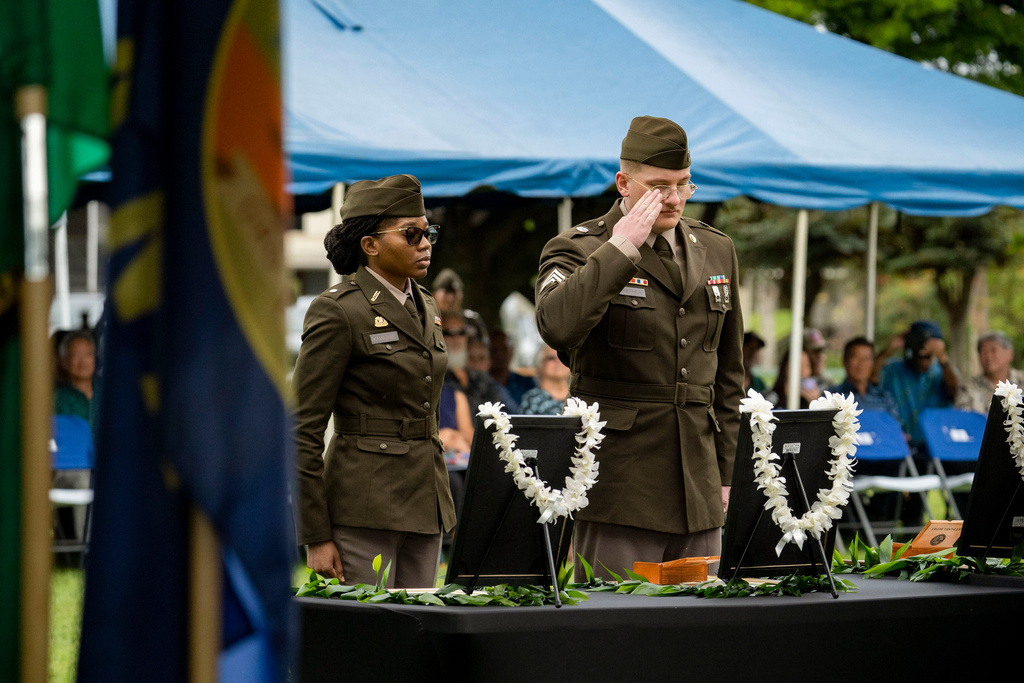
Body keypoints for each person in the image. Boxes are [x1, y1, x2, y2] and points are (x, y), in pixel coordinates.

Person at [535, 115, 744, 579]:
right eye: (658, 187)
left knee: (700, 628)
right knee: (616, 631)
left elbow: (729, 374)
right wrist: (621, 248)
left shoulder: (715, 248)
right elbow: (557, 326)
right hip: (619, 484)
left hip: (699, 483)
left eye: (683, 185)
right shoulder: (579, 247)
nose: (673, 199)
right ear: (623, 183)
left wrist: (728, 472)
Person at [293, 174, 456, 588]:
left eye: (428, 231)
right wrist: (315, 534)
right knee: (369, 642)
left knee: (420, 635)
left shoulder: (428, 305)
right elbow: (303, 429)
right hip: (362, 508)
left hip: (424, 503)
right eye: (411, 233)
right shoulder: (338, 311)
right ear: (370, 245)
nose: (425, 244)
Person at [873, 320, 959, 451]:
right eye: (918, 341)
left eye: (929, 342)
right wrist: (889, 349)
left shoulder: (943, 372)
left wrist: (943, 359)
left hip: (936, 445)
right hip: (899, 444)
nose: (923, 347)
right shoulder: (893, 369)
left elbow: (955, 392)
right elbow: (869, 379)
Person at [441, 309, 518, 413]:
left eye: (461, 332)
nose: (456, 338)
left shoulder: (481, 378)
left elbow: (508, 413)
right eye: (449, 333)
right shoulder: (435, 378)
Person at [828, 336, 901, 421]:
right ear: (844, 361)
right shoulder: (832, 397)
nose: (861, 363)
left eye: (866, 358)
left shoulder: (884, 398)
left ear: (873, 363)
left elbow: (896, 429)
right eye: (856, 357)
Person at [956, 331, 1024, 414]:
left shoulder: (1022, 381)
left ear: (1010, 354)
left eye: (993, 350)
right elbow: (964, 419)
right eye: (983, 352)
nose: (988, 356)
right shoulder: (968, 387)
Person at [54, 329, 96, 426]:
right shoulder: (58, 399)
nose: (83, 362)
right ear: (64, 362)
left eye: (88, 355)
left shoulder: (106, 395)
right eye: (75, 356)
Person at [519, 345, 571, 415]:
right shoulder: (532, 400)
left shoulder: (579, 397)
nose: (559, 362)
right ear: (539, 364)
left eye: (563, 358)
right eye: (551, 358)